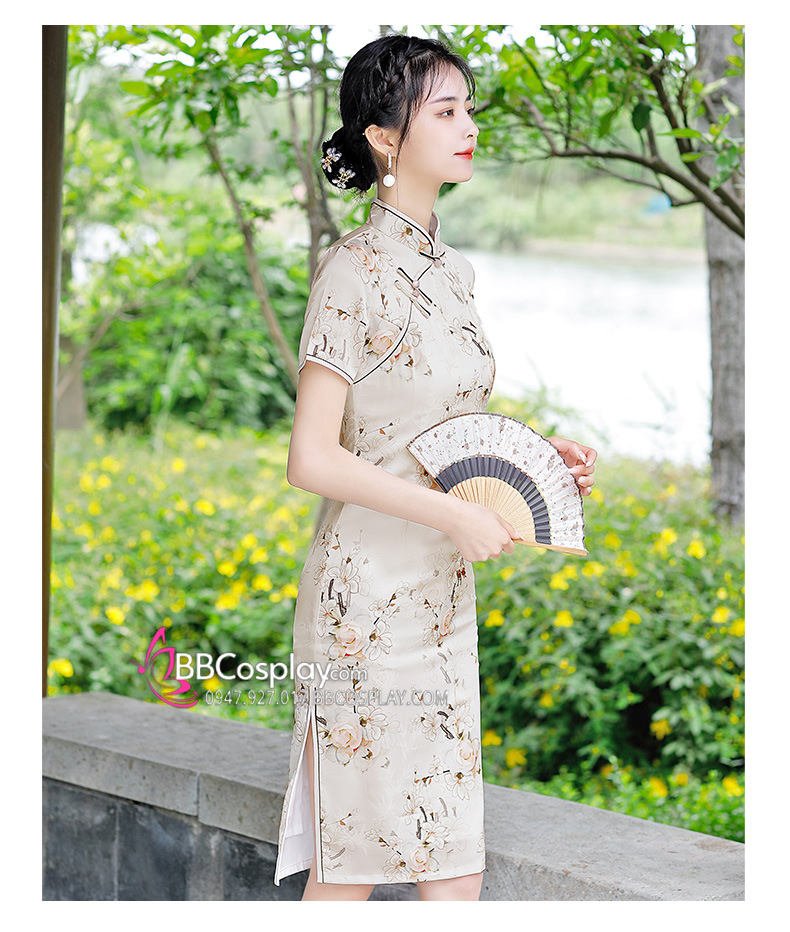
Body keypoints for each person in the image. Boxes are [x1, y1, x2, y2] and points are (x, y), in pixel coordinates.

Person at [273, 33, 597, 902]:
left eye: (468, 109)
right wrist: (454, 513)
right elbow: (311, 457)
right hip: (364, 610)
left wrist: (541, 459)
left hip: (443, 602)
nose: (470, 126)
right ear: (384, 137)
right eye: (445, 111)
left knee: (454, 872)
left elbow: (437, 427)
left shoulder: (454, 273)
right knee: (352, 871)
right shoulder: (350, 271)